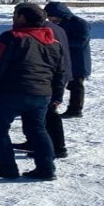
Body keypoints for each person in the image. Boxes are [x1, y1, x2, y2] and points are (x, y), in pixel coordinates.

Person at [0, 3, 66, 181]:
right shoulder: (53, 41)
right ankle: (46, 169)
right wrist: (58, 95)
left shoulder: (11, 37)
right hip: (42, 94)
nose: (13, 17)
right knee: (37, 130)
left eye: (15, 14)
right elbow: (60, 71)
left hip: (11, 93)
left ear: (22, 18)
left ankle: (8, 168)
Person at [11, 16, 72, 159]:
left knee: (49, 113)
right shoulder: (51, 27)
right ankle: (33, 142)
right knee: (35, 114)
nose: (14, 19)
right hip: (48, 76)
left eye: (17, 15)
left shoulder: (46, 30)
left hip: (48, 77)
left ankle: (57, 147)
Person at [44, 2, 91, 117]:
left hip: (78, 60)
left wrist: (59, 42)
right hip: (61, 60)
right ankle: (50, 107)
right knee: (56, 84)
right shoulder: (54, 25)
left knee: (76, 85)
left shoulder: (80, 23)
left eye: (52, 16)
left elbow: (81, 41)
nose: (50, 19)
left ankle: (75, 109)